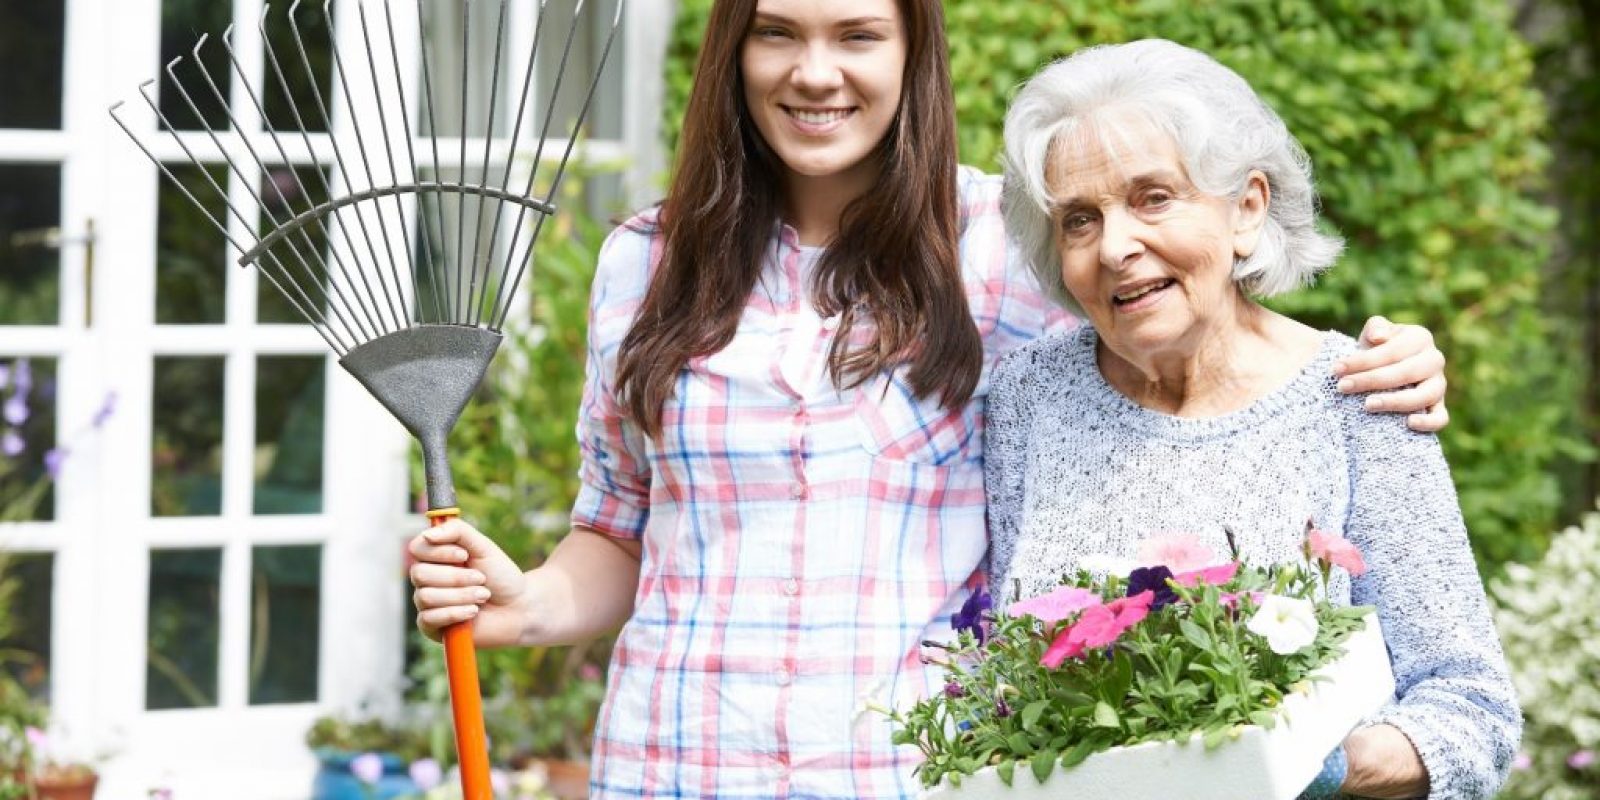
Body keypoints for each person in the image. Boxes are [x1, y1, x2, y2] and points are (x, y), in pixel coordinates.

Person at [408, 4, 1453, 797]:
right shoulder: (644, 259)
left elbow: (1189, 357)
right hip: (669, 757)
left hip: (916, 773)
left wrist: (1369, 364)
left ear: (912, 53)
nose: (814, 73)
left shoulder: (1013, 246)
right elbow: (620, 527)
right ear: (734, 53)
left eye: (857, 34)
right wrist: (529, 601)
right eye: (776, 35)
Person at [985, 39, 1517, 800]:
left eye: (1152, 197)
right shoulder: (1029, 399)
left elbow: (1474, 710)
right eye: (1078, 220)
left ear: (1246, 208)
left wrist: (1304, 761)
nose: (1115, 246)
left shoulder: (1360, 398)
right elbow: (1003, 682)